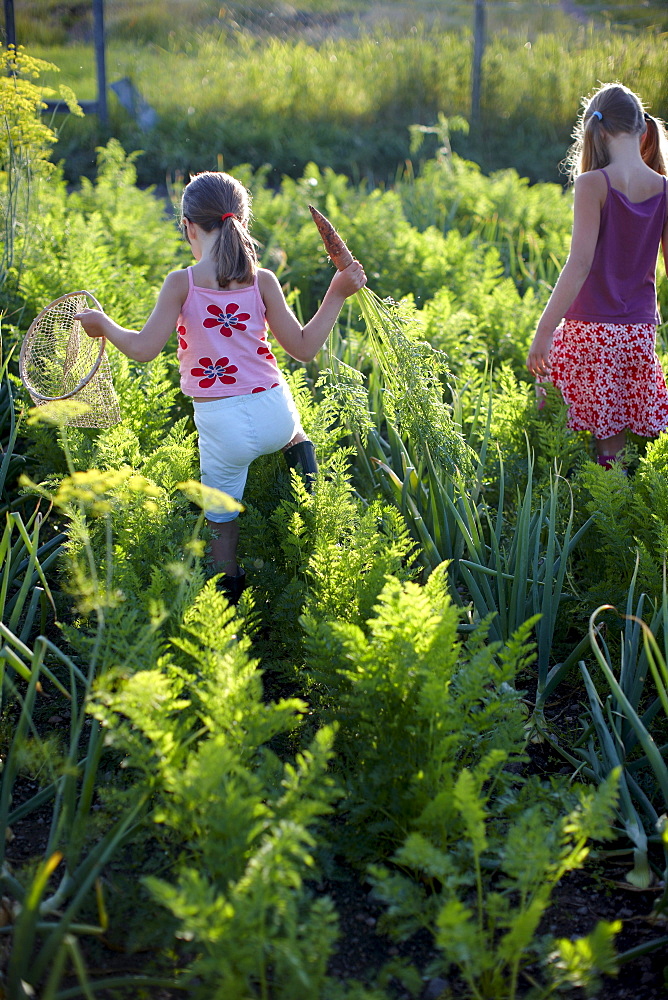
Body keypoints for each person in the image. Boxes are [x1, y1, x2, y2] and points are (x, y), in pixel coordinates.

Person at [75, 170, 366, 601]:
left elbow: (142, 349)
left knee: (221, 525)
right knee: (296, 434)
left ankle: (229, 608)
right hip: (274, 412)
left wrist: (103, 325)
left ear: (189, 227)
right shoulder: (261, 280)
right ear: (241, 222)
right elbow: (303, 348)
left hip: (220, 424)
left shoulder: (183, 283)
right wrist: (337, 293)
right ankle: (317, 516)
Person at [526, 83, 668, 468]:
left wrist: (543, 330)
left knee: (550, 387)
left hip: (592, 328)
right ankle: (616, 501)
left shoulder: (593, 183)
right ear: (642, 129)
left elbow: (579, 265)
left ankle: (563, 478)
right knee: (615, 431)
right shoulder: (664, 188)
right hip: (638, 330)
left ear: (599, 131)